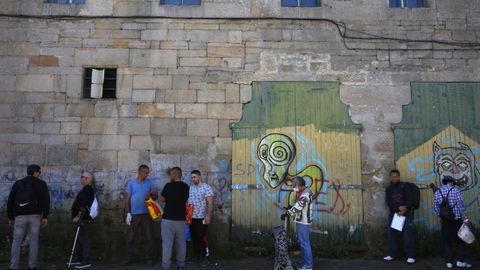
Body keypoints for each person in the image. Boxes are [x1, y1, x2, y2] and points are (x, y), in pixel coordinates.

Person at [7, 164, 50, 270]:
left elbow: (10, 201)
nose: (40, 174)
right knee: (34, 241)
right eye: (39, 172)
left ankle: (14, 266)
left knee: (16, 241)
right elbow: (46, 201)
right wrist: (45, 216)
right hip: (35, 216)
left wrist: (11, 217)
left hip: (20, 217)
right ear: (35, 172)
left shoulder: (18, 183)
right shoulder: (41, 184)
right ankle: (32, 266)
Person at [433, 176, 472, 269]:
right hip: (456, 220)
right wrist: (465, 219)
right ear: (451, 182)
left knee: (447, 242)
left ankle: (449, 262)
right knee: (460, 240)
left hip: (445, 221)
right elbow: (461, 205)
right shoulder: (455, 191)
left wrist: (442, 217)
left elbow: (436, 208)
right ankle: (460, 261)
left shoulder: (437, 192)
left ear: (444, 182)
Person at [123, 165, 157, 266]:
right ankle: (128, 258)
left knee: (149, 237)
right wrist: (128, 213)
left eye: (147, 173)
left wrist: (151, 195)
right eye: (145, 172)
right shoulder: (132, 183)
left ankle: (149, 258)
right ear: (140, 172)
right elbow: (127, 199)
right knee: (130, 237)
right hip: (134, 215)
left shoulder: (150, 183)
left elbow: (156, 196)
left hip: (146, 214)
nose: (146, 175)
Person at [383, 169, 416, 264]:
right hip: (394, 214)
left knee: (407, 235)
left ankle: (411, 256)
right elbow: (389, 202)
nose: (394, 178)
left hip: (405, 214)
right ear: (389, 177)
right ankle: (392, 254)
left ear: (399, 177)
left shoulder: (405, 186)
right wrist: (398, 208)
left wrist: (404, 209)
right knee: (392, 235)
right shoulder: (388, 189)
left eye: (396, 176)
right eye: (392, 176)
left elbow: (409, 199)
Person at [160, 167, 190, 270]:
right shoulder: (186, 187)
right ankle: (181, 265)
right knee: (181, 243)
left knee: (167, 244)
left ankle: (166, 266)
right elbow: (187, 200)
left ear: (174, 174)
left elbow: (162, 199)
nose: (170, 176)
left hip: (168, 219)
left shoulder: (168, 186)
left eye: (171, 174)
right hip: (181, 219)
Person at [282, 176, 313, 270]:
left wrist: (288, 213)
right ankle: (304, 263)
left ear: (299, 185)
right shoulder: (302, 192)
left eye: (294, 185)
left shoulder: (306, 194)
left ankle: (308, 266)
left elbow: (299, 206)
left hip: (304, 222)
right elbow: (297, 205)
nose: (293, 187)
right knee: (303, 243)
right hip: (301, 221)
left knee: (305, 243)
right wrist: (289, 209)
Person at [69, 171, 96, 269]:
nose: (81, 178)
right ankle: (78, 259)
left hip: (84, 219)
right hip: (82, 219)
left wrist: (78, 217)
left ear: (87, 179)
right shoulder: (85, 189)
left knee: (85, 240)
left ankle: (86, 261)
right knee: (80, 240)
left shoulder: (88, 189)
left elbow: (83, 205)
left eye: (82, 177)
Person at [188, 170, 214, 266]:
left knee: (201, 238)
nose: (193, 179)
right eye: (192, 177)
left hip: (201, 217)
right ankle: (196, 257)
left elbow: (210, 203)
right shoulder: (190, 188)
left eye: (194, 177)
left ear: (199, 176)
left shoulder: (206, 187)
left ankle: (204, 258)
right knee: (194, 238)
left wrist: (208, 216)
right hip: (191, 218)